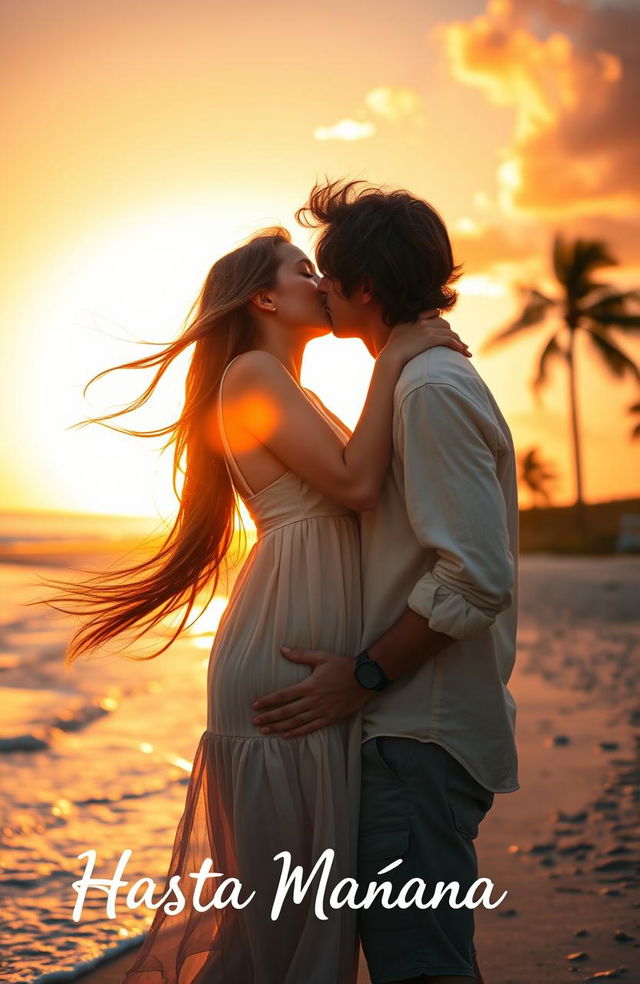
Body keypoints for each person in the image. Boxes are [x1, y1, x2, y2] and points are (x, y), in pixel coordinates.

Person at [42, 226, 469, 984]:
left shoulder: (287, 386)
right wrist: (397, 357)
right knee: (281, 916)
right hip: (281, 645)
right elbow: (357, 485)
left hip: (300, 634)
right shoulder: (250, 373)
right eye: (305, 269)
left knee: (303, 904)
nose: (323, 280)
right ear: (265, 296)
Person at [252, 182, 520, 984]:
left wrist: (363, 676)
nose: (320, 288)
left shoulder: (428, 389)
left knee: (419, 965)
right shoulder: (413, 380)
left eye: (327, 276)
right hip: (410, 732)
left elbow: (474, 580)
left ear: (363, 287)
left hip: (417, 732)